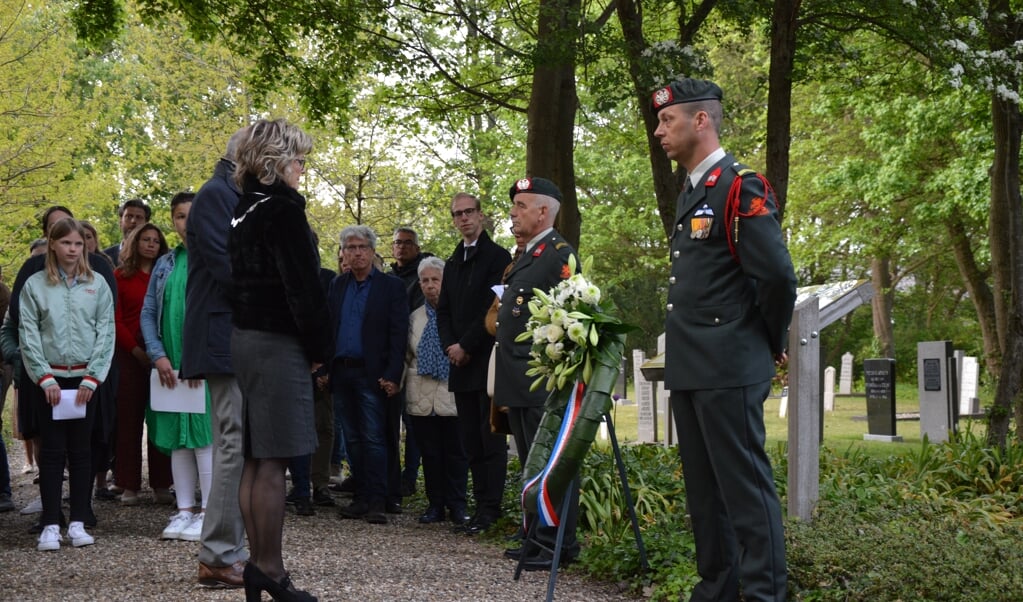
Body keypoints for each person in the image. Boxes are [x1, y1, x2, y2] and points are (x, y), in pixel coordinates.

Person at [652, 77, 797, 602]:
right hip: (694, 365)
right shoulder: (692, 190)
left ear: (701, 120)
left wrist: (767, 339)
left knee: (745, 493)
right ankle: (716, 588)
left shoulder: (740, 184)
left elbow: (777, 276)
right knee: (705, 494)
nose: (658, 129)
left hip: (731, 362)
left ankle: (764, 595)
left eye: (668, 120)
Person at [227, 118, 330, 602]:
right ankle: (270, 568)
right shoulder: (283, 212)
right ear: (276, 161)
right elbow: (303, 290)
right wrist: (319, 351)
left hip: (246, 339)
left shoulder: (244, 210)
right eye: (298, 159)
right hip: (276, 343)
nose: (302, 169)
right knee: (273, 461)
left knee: (255, 458)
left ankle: (259, 566)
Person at [6, 206, 118, 528]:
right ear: (52, 244)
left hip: (86, 381)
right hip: (50, 381)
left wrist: (92, 378)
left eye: (79, 243)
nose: (73, 249)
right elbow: (27, 333)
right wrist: (44, 378)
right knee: (53, 452)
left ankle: (80, 519)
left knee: (82, 450)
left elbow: (105, 333)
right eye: (66, 243)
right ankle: (51, 520)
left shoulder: (97, 285)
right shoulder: (35, 285)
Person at [495, 177, 580, 570]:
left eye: (522, 205)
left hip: (541, 379)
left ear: (543, 211)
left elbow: (572, 314)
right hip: (519, 378)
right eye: (514, 205)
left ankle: (556, 544)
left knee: (551, 461)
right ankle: (535, 535)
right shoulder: (528, 254)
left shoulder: (557, 254)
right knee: (532, 461)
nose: (513, 212)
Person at [182, 125, 251, 589]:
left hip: (237, 335)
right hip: (222, 335)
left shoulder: (234, 193)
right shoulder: (214, 195)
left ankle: (229, 550)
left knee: (240, 443)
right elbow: (229, 267)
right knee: (231, 441)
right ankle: (218, 554)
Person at [140, 192, 213, 541]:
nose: (187, 222)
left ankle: (209, 511)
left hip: (205, 368)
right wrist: (158, 355)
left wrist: (203, 358)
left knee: (205, 439)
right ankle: (184, 510)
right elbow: (149, 312)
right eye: (181, 216)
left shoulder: (215, 258)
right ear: (173, 221)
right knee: (178, 441)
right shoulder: (165, 263)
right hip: (170, 368)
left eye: (193, 215)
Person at [436, 192, 511, 533]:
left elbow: (493, 309)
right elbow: (444, 310)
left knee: (489, 437)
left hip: (486, 361)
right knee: (469, 440)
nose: (464, 218)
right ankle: (478, 505)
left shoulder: (498, 257)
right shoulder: (451, 263)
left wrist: (466, 344)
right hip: (460, 363)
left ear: (481, 216)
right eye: (458, 214)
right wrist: (451, 346)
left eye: (469, 212)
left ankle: (490, 509)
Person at [328, 225, 408, 525]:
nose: (357, 253)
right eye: (350, 247)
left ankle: (378, 499)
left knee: (374, 437)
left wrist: (392, 374)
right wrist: (324, 367)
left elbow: (398, 333)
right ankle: (360, 496)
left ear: (373, 251)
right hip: (342, 371)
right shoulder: (338, 285)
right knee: (352, 439)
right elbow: (330, 328)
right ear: (343, 252)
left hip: (373, 374)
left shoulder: (391, 286)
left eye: (362, 247)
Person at [405, 256, 468, 524]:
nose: (430, 286)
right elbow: (407, 355)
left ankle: (457, 504)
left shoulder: (459, 313)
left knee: (456, 452)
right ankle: (435, 504)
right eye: (425, 280)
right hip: (420, 394)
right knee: (430, 453)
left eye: (435, 280)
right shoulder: (414, 318)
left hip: (451, 393)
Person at [113, 223, 172, 505]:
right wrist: (136, 350)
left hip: (163, 354)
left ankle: (162, 483)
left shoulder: (166, 275)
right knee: (129, 421)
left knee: (162, 416)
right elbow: (116, 319)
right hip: (129, 355)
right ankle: (129, 484)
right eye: (146, 240)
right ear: (135, 243)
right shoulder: (121, 277)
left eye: (156, 241)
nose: (151, 244)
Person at [388, 227, 429, 497]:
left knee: (413, 421)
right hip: (391, 353)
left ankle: (410, 475)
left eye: (406, 243)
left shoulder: (423, 276)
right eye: (397, 243)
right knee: (390, 419)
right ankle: (390, 475)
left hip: (415, 353)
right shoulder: (388, 278)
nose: (401, 247)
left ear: (415, 247)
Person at [103, 198, 151, 267]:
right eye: (129, 216)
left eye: (139, 217)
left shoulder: (161, 259)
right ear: (120, 223)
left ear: (147, 224)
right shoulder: (104, 258)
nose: (133, 221)